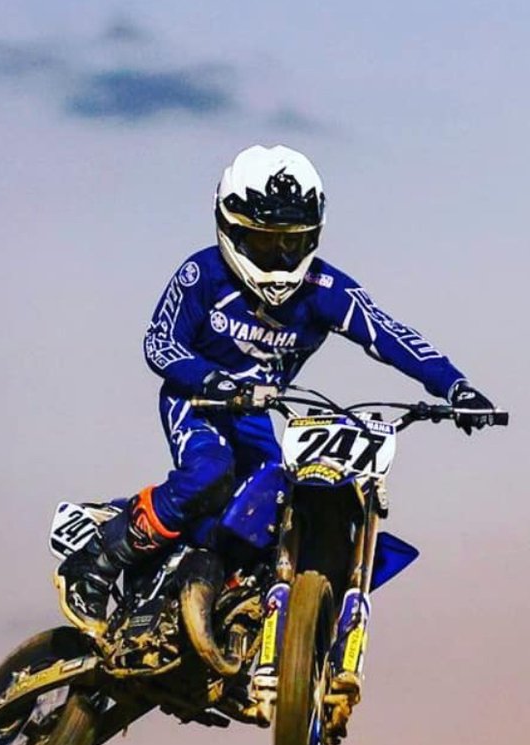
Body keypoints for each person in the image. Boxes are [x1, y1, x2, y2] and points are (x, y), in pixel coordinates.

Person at [56, 143, 497, 634]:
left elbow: (389, 335)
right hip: (197, 400)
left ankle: (221, 590)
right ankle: (100, 558)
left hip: (256, 412)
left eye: (293, 241)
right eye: (266, 243)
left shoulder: (326, 291)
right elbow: (159, 342)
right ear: (230, 227)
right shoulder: (202, 275)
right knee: (211, 471)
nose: (282, 257)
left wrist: (455, 387)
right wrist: (209, 379)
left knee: (275, 495)